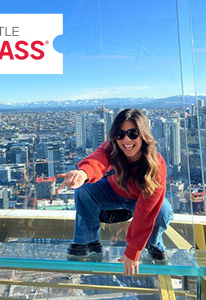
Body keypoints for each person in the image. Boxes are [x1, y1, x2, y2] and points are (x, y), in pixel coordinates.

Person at [56, 108, 173, 275]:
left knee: (161, 210)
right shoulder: (113, 147)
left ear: (143, 135)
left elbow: (147, 210)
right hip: (113, 192)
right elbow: (100, 157)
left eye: (133, 133)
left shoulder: (156, 164)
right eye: (121, 134)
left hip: (139, 201)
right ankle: (87, 241)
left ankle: (152, 242)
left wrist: (133, 251)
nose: (126, 139)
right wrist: (84, 173)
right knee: (84, 190)